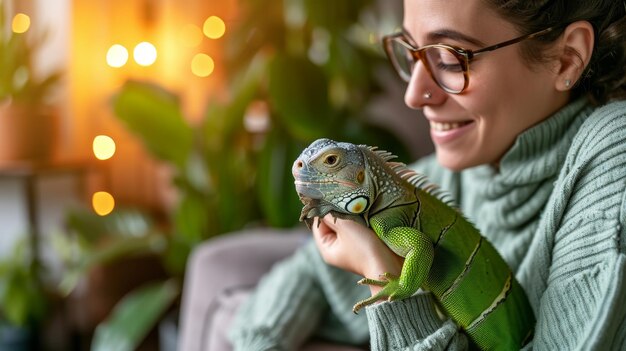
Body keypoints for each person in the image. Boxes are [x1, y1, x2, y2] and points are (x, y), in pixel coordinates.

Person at [227, 0, 626, 349]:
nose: (414, 95)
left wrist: (386, 284)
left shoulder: (613, 149)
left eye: (453, 58)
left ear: (567, 59)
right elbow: (304, 274)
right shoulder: (449, 176)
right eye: (410, 53)